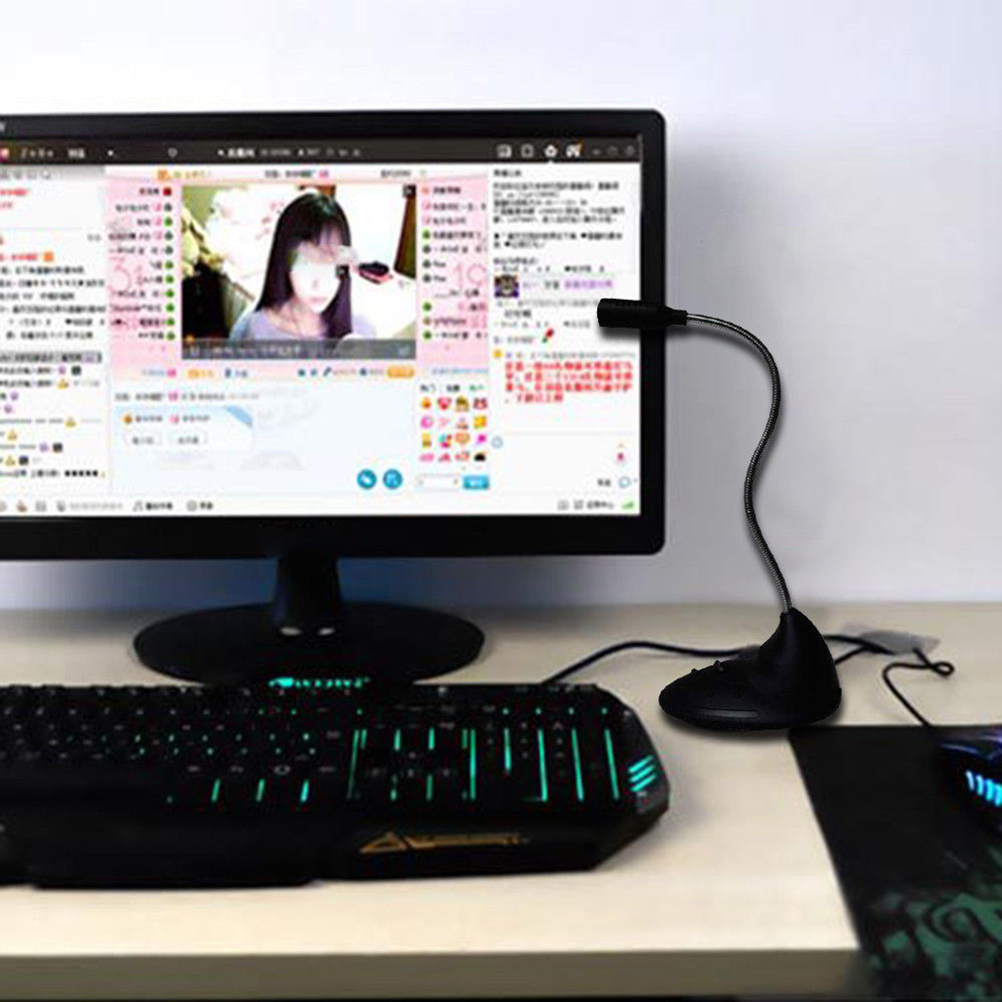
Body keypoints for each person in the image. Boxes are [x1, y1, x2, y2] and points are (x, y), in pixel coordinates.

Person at [230, 191, 355, 342]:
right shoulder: (258, 328)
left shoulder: (361, 329)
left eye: (330, 265)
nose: (319, 284)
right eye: (305, 266)